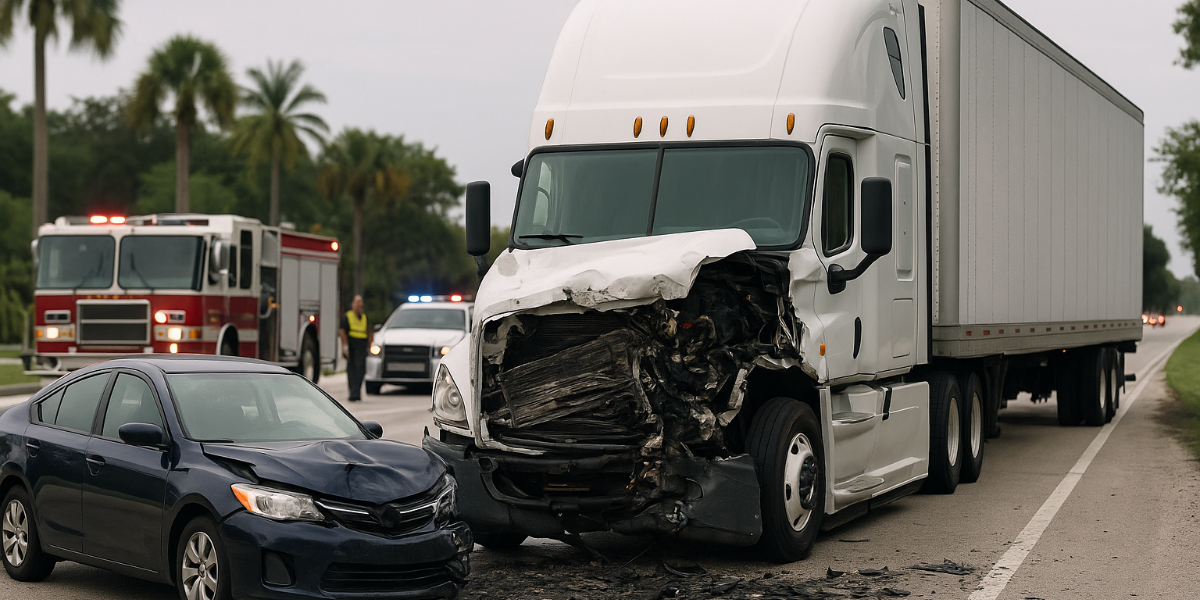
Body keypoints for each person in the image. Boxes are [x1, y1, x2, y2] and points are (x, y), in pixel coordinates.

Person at [338, 295, 372, 402]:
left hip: (362, 347)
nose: (359, 305)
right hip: (352, 346)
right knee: (352, 371)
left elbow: (370, 331)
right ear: (353, 304)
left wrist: (370, 344)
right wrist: (345, 347)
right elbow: (342, 332)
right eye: (357, 302)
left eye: (361, 302)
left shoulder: (365, 317)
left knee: (360, 370)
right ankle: (353, 393)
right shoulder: (348, 316)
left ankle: (357, 392)